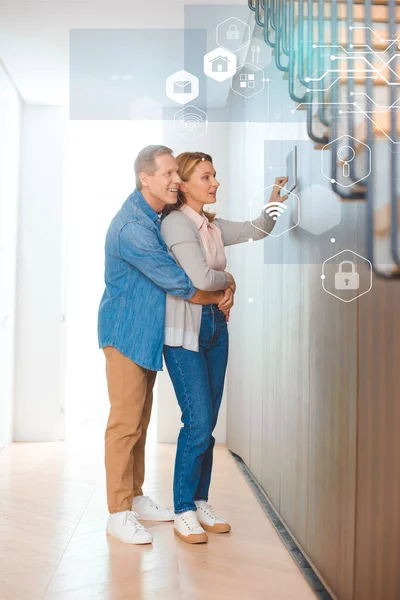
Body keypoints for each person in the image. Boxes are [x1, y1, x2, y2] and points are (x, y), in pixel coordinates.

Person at [98, 145, 236, 545]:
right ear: (146, 179)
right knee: (125, 424)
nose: (176, 179)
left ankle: (136, 497)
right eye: (169, 174)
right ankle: (118, 511)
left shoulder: (156, 217)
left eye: (178, 172)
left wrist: (224, 284)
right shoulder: (134, 229)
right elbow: (179, 281)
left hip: (146, 333)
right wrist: (223, 291)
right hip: (125, 332)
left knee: (139, 421)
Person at [161, 151, 288, 544]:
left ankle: (201, 501)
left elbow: (257, 230)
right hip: (185, 333)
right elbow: (199, 275)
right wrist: (229, 280)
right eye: (206, 177)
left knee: (208, 424)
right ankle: (182, 508)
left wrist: (274, 199)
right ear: (183, 184)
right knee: (197, 421)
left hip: (216, 327)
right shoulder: (177, 224)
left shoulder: (210, 226)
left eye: (214, 175)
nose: (215, 183)